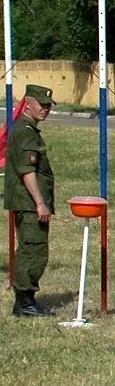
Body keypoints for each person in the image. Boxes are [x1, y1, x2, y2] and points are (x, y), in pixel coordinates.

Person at [4, 85, 57, 317]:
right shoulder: (25, 132)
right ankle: (24, 302)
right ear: (27, 104)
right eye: (41, 105)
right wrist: (39, 203)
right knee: (33, 249)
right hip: (28, 202)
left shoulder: (27, 129)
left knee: (32, 248)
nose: (45, 109)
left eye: (48, 106)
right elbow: (28, 171)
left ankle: (26, 300)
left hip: (27, 201)